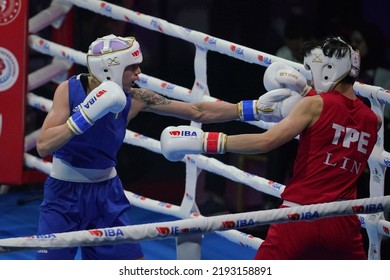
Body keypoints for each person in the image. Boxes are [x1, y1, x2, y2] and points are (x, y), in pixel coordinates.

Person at [35, 34, 305, 259]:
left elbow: (198, 110)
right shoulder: (69, 92)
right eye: (132, 67)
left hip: (107, 195)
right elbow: (44, 146)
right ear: (111, 69)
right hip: (64, 197)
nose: (139, 73)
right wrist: (83, 117)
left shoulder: (137, 97)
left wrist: (251, 109)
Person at [160, 36, 382, 259]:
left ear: (328, 70)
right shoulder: (374, 120)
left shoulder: (314, 104)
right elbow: (339, 122)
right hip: (343, 221)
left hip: (300, 214)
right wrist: (305, 92)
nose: (312, 80)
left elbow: (265, 142)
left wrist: (203, 141)